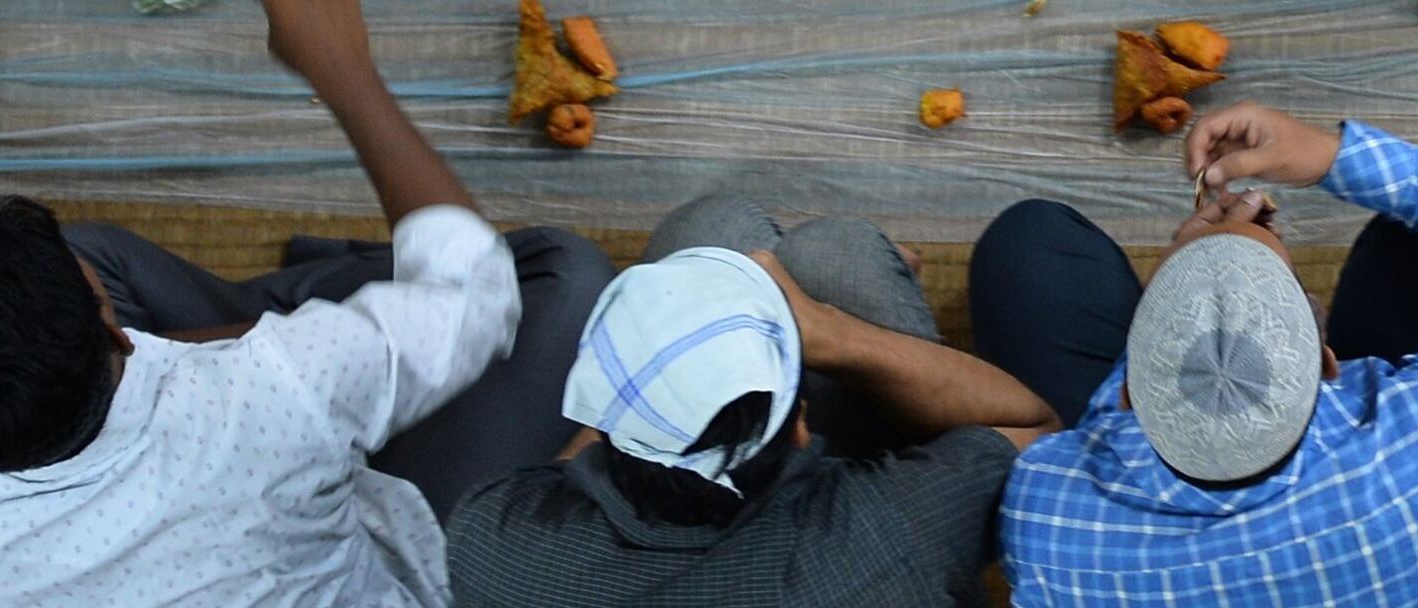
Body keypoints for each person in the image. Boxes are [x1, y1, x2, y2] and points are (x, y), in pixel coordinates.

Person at [0, 0, 612, 608]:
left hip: (245, 411)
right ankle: (341, 314)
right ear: (114, 331)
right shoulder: (273, 391)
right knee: (560, 271)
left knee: (95, 252)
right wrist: (345, 75)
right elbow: (470, 294)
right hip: (403, 542)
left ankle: (333, 319)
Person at [973, 98, 1418, 606]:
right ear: (1329, 363)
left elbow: (1096, 436)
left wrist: (1170, 312)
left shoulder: (1044, 516)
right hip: (1411, 548)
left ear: (1128, 392)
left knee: (1030, 245)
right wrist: (1329, 155)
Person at [442, 191, 1058, 608]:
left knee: (711, 226)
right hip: (858, 544)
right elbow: (1034, 426)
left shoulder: (488, 545)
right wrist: (828, 327)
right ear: (801, 430)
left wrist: (660, 375)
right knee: (839, 252)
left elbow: (566, 475)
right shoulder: (894, 530)